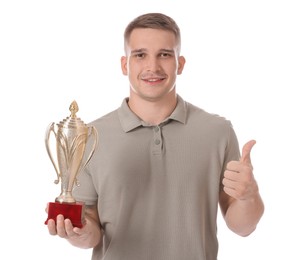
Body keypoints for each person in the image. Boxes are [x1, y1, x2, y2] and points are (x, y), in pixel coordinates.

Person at [46, 12, 264, 260]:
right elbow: (92, 230)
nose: (153, 67)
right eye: (140, 55)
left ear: (180, 64)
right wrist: (79, 233)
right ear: (124, 64)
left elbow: (243, 227)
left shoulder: (217, 132)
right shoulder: (91, 136)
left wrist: (249, 196)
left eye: (164, 54)